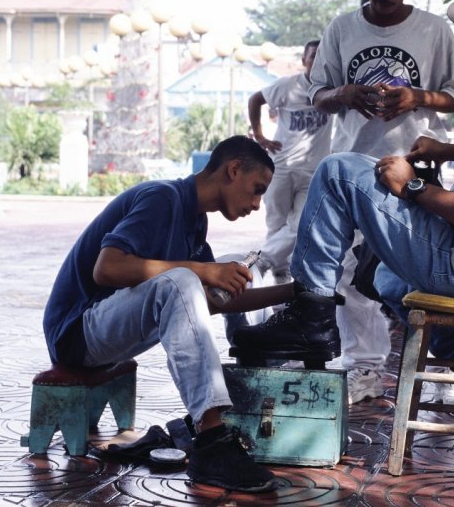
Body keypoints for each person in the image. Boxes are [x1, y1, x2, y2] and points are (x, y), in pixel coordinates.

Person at [233, 0, 454, 447]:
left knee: (338, 170)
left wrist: (412, 186)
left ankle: (310, 312)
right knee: (390, 281)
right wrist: (448, 150)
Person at [42, 136, 293, 494]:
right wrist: (202, 270)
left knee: (204, 278)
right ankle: (212, 441)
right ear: (233, 169)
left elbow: (214, 300)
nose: (256, 204)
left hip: (108, 330)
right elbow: (106, 269)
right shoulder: (162, 198)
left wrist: (296, 292)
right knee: (181, 280)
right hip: (76, 332)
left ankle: (249, 354)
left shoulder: (194, 221)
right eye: (256, 190)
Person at [306, 0, 454, 404]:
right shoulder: (341, 28)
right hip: (352, 168)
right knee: (350, 272)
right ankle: (366, 367)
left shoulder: (434, 30)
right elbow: (316, 93)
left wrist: (417, 97)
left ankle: (440, 371)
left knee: (421, 272)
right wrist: (345, 94)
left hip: (413, 169)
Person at [248, 40, 330, 282]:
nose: (317, 60)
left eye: (322, 56)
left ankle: (258, 262)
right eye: (313, 55)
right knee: (276, 225)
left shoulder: (333, 92)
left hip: (314, 169)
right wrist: (260, 135)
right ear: (304, 60)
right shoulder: (287, 86)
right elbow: (255, 100)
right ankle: (279, 285)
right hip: (281, 167)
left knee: (301, 224)